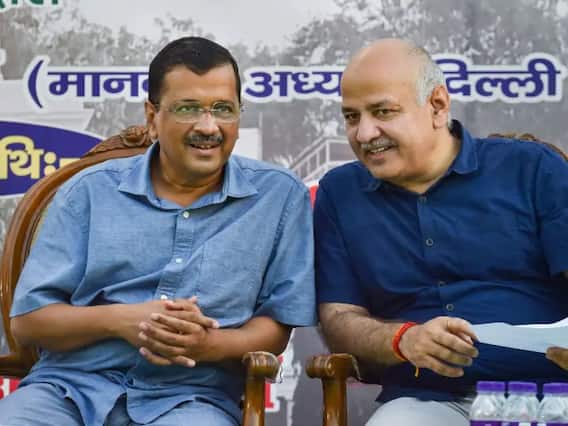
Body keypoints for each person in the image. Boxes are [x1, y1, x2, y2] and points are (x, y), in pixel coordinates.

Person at [0, 37, 316, 426]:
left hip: (191, 399)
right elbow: (29, 321)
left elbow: (276, 326)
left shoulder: (278, 197)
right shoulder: (89, 191)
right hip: (67, 392)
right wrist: (122, 321)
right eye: (187, 108)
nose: (208, 126)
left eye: (223, 109)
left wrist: (209, 344)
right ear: (152, 116)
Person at [314, 38, 568, 426]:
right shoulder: (340, 193)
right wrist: (403, 339)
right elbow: (339, 318)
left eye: (383, 112)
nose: (364, 133)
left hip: (548, 394)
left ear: (437, 105)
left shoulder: (530, 168)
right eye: (351, 117)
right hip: (426, 399)